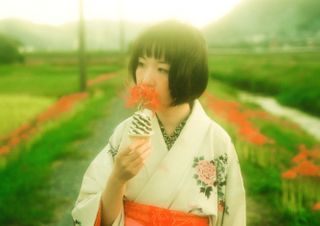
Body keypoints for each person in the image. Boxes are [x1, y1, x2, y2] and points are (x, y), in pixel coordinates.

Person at [72, 20, 246, 226]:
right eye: (141, 64)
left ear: (189, 73)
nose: (145, 79)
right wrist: (117, 179)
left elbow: (232, 216)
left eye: (162, 69)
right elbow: (99, 217)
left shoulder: (217, 141)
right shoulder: (124, 132)